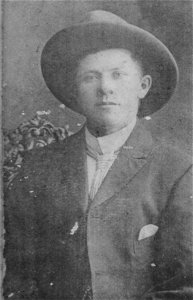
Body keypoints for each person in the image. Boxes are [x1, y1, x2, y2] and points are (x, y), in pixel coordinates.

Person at [3, 10, 192, 300]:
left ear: (143, 86)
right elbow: (21, 280)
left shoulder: (177, 170)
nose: (106, 88)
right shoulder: (38, 168)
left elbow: (184, 287)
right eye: (91, 77)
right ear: (76, 91)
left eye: (118, 75)